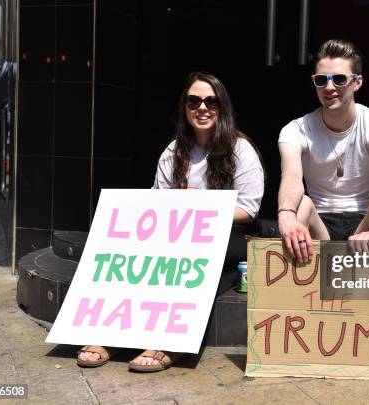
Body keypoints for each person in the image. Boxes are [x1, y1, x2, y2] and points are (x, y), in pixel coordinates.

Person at [77, 72, 264, 372]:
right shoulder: (173, 152)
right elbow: (157, 202)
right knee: (132, 256)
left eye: (210, 101)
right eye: (194, 101)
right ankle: (110, 334)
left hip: (228, 234)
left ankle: (172, 344)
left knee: (194, 258)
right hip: (177, 233)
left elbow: (249, 209)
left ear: (222, 107)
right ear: (185, 108)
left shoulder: (240, 149)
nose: (202, 108)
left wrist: (200, 205)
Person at [277, 39, 369, 262]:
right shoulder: (296, 129)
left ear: (357, 82)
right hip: (318, 223)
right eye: (321, 80)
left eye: (339, 79)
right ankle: (292, 291)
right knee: (300, 204)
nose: (329, 88)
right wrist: (285, 215)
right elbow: (291, 176)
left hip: (367, 222)